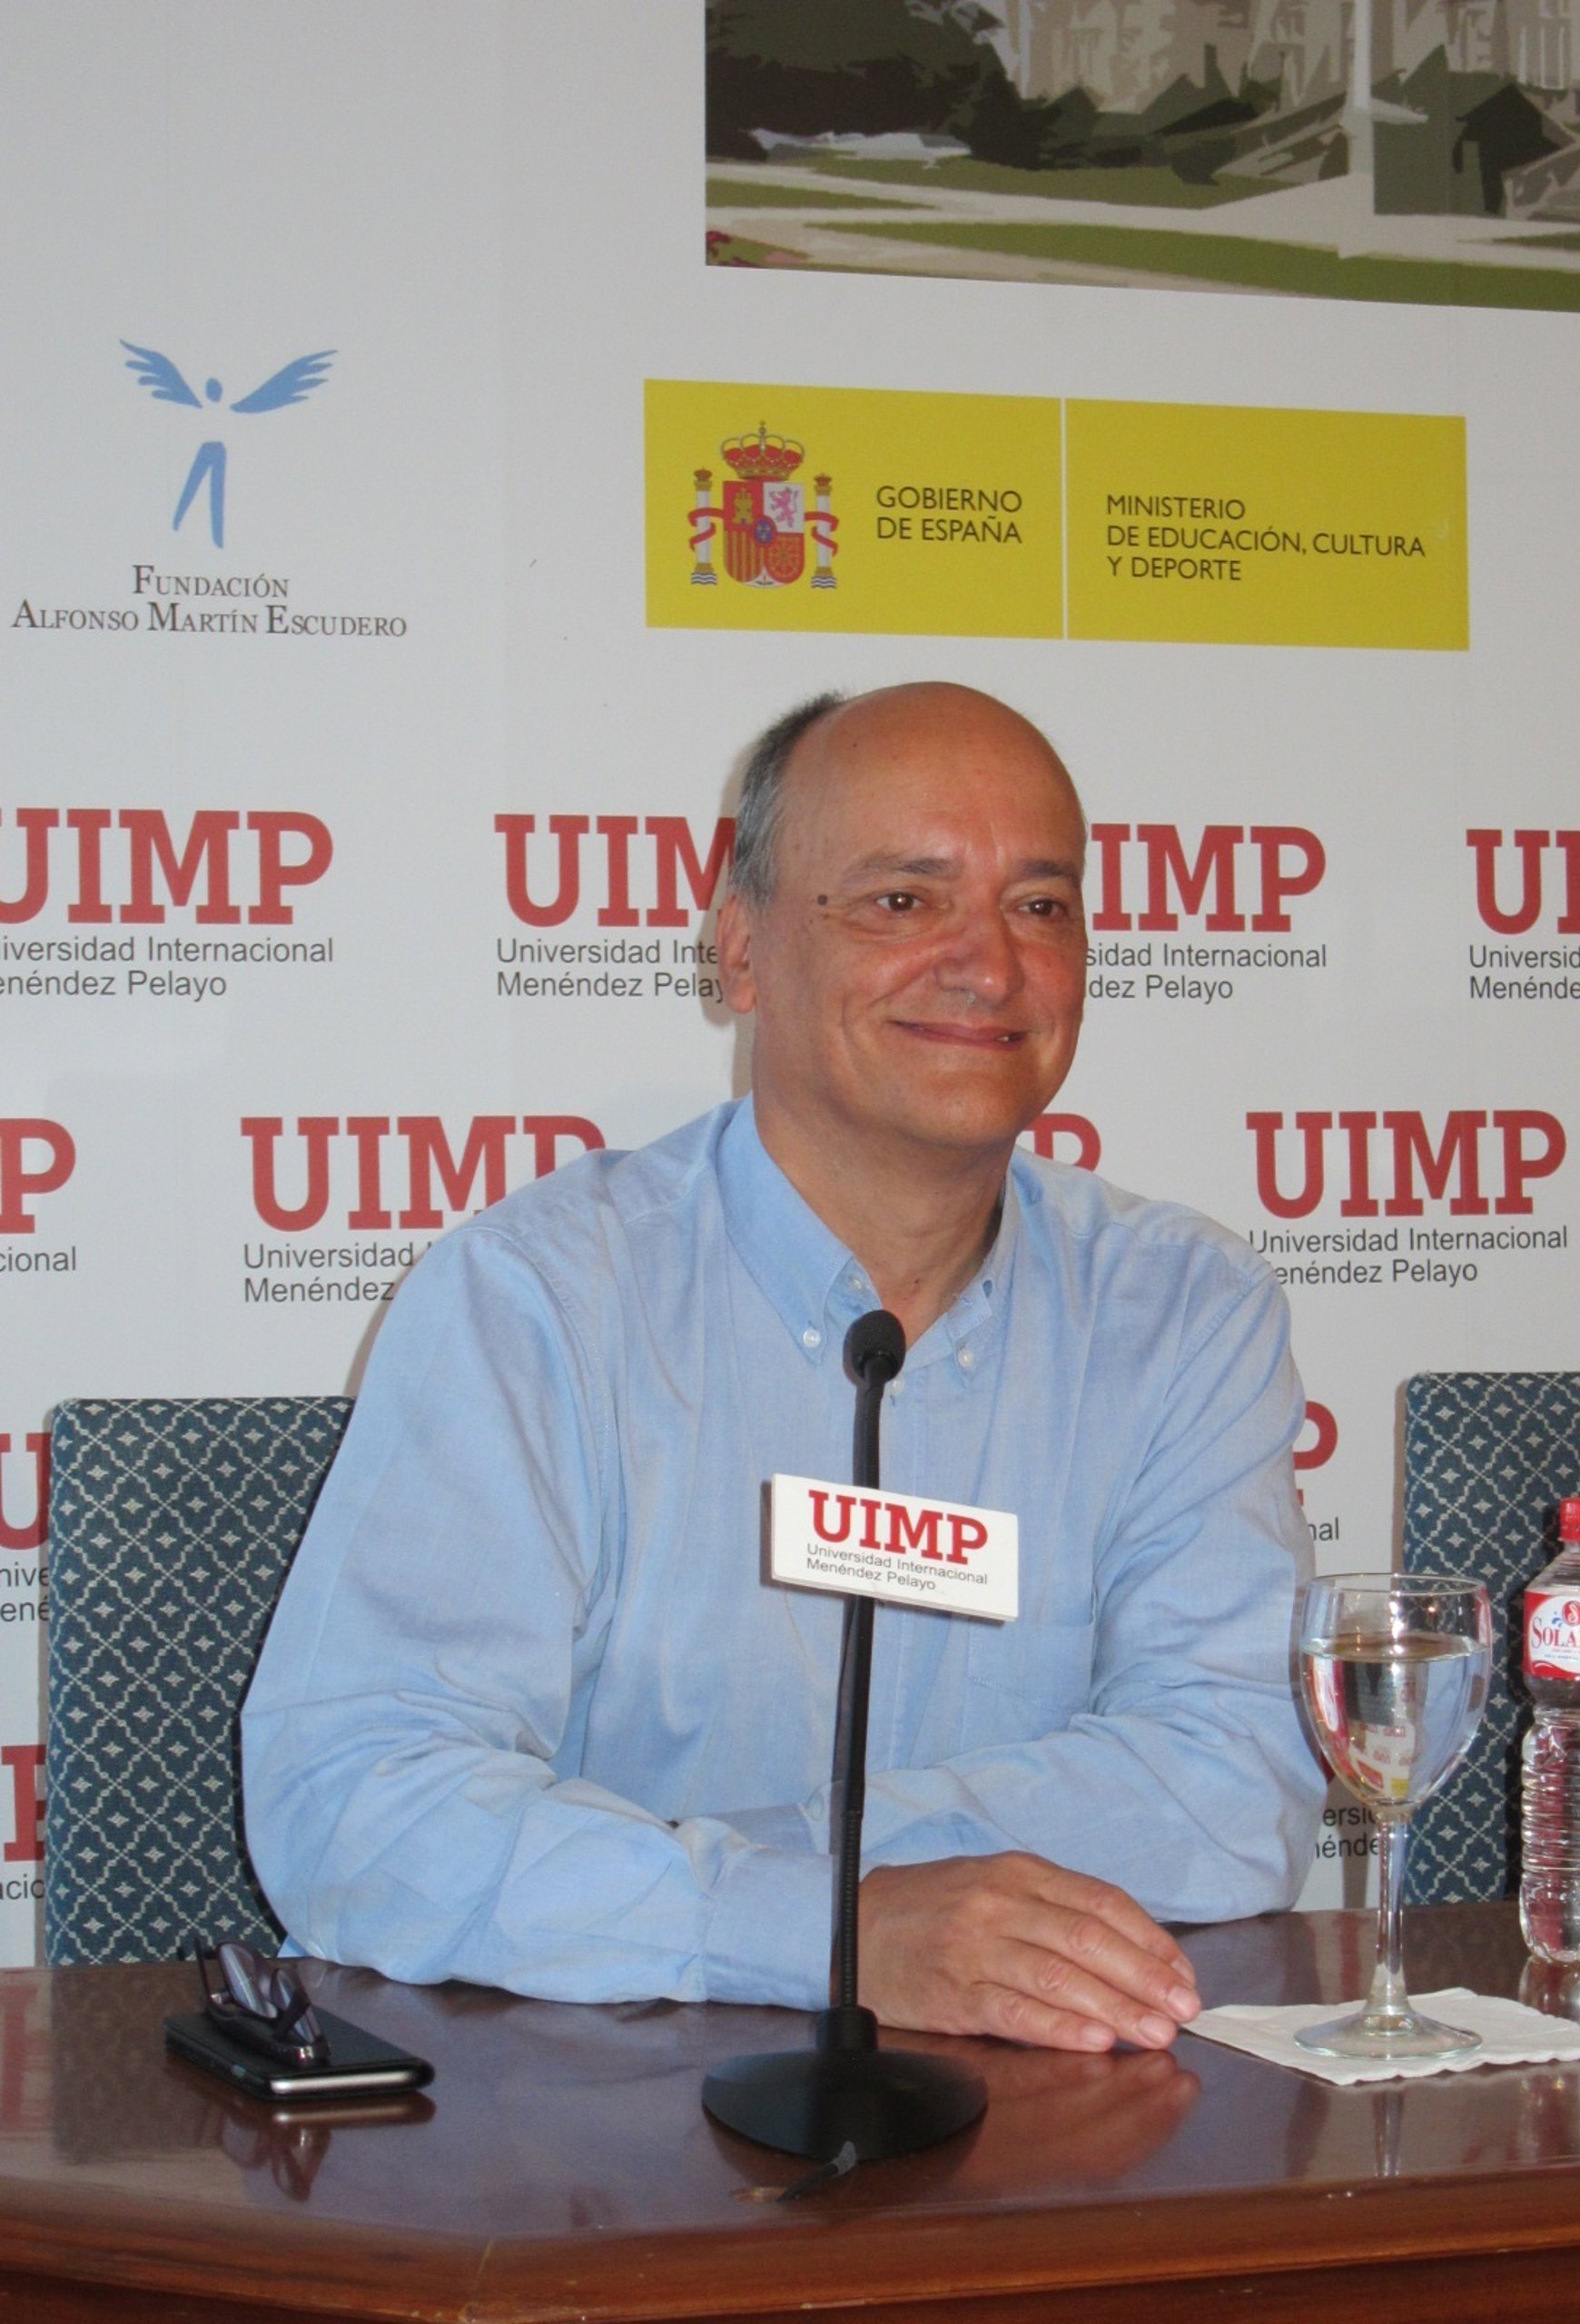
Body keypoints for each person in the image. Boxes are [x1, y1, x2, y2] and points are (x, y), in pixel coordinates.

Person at [242, 683, 1324, 2054]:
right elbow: (356, 1805)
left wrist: (764, 1878)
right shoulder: (538, 1302)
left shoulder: (1183, 1311)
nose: (989, 966)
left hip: (1040, 2113)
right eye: (902, 901)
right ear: (742, 951)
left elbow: (1234, 1782)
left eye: (1041, 906)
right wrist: (820, 1926)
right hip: (599, 2114)